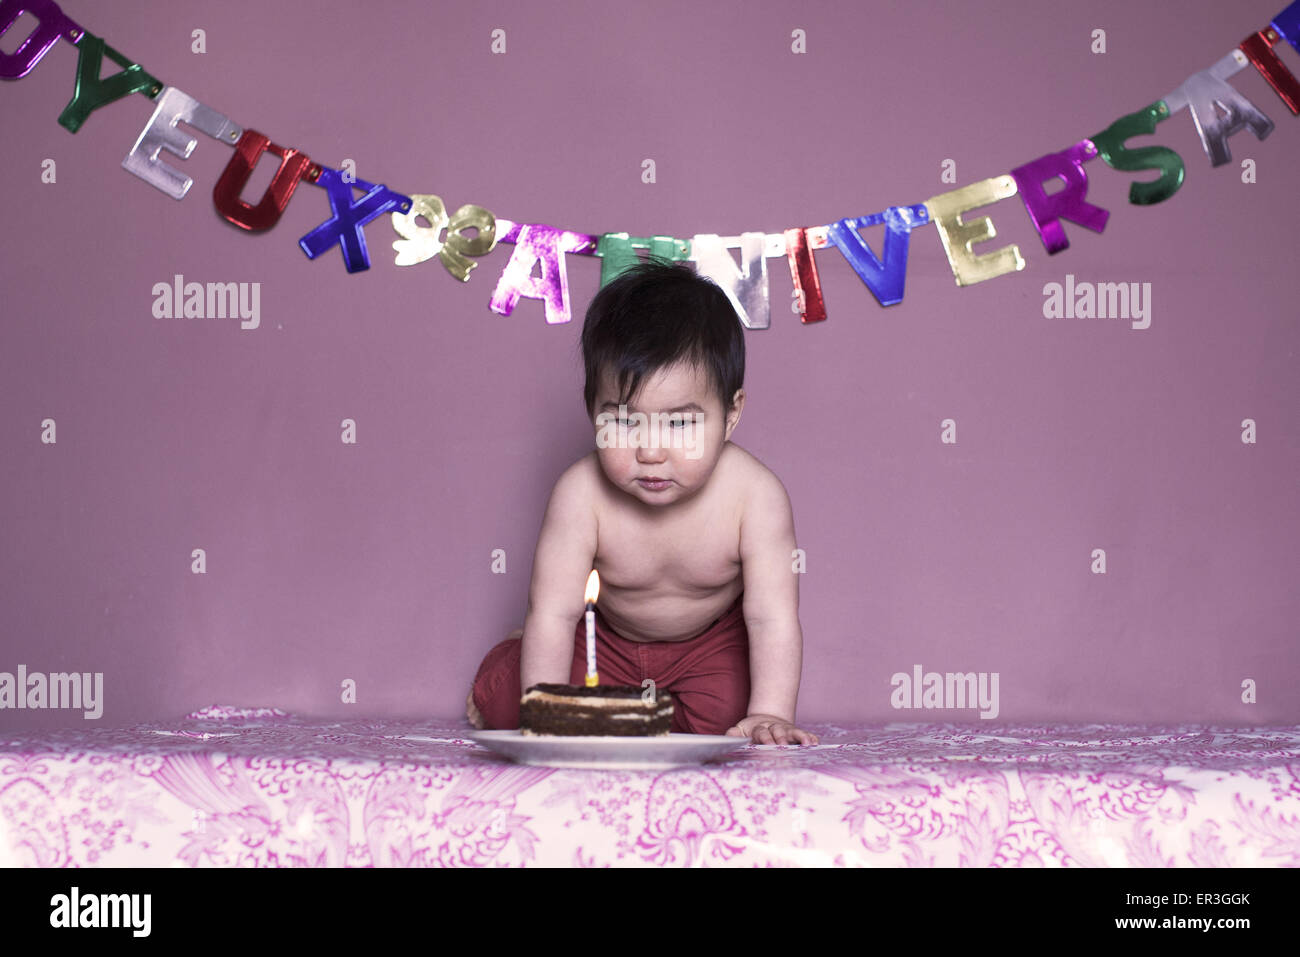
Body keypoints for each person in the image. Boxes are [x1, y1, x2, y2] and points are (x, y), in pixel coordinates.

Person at [467, 259, 818, 745]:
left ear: (730, 415)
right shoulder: (580, 495)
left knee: (734, 727)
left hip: (707, 649)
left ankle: (662, 715)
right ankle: (508, 660)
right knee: (524, 704)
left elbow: (770, 616)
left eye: (680, 424)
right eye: (625, 422)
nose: (651, 452)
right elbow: (555, 612)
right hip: (603, 645)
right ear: (592, 409)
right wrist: (544, 708)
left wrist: (770, 711)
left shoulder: (755, 497)